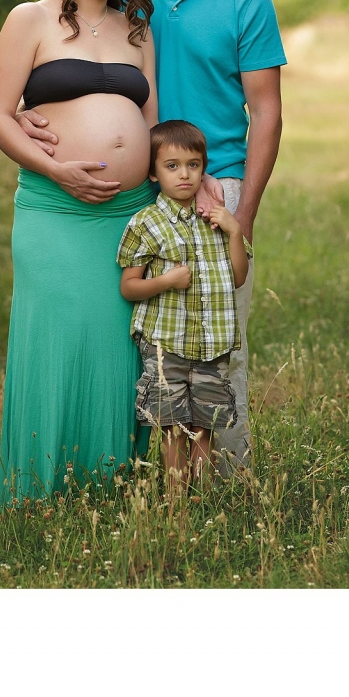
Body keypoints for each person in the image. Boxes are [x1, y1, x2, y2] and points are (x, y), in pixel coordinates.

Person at [20, 0, 286, 472]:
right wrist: (35, 109)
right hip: (136, 189)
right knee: (146, 334)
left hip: (213, 183)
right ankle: (147, 469)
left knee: (217, 337)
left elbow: (267, 113)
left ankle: (224, 476)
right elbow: (63, 46)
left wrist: (242, 209)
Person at [0, 0, 159, 504]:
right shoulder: (30, 19)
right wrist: (59, 170)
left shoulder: (138, 27)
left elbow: (150, 122)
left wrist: (183, 190)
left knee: (115, 341)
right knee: (56, 332)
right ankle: (39, 487)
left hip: (125, 212)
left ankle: (107, 480)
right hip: (54, 208)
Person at [117, 120, 252, 488]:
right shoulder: (146, 223)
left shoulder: (215, 220)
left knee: (204, 425)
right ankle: (176, 501)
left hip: (211, 346)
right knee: (172, 426)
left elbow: (237, 277)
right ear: (153, 173)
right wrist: (165, 281)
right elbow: (129, 287)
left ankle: (199, 496)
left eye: (193, 165)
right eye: (172, 166)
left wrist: (235, 230)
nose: (185, 175)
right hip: (167, 345)